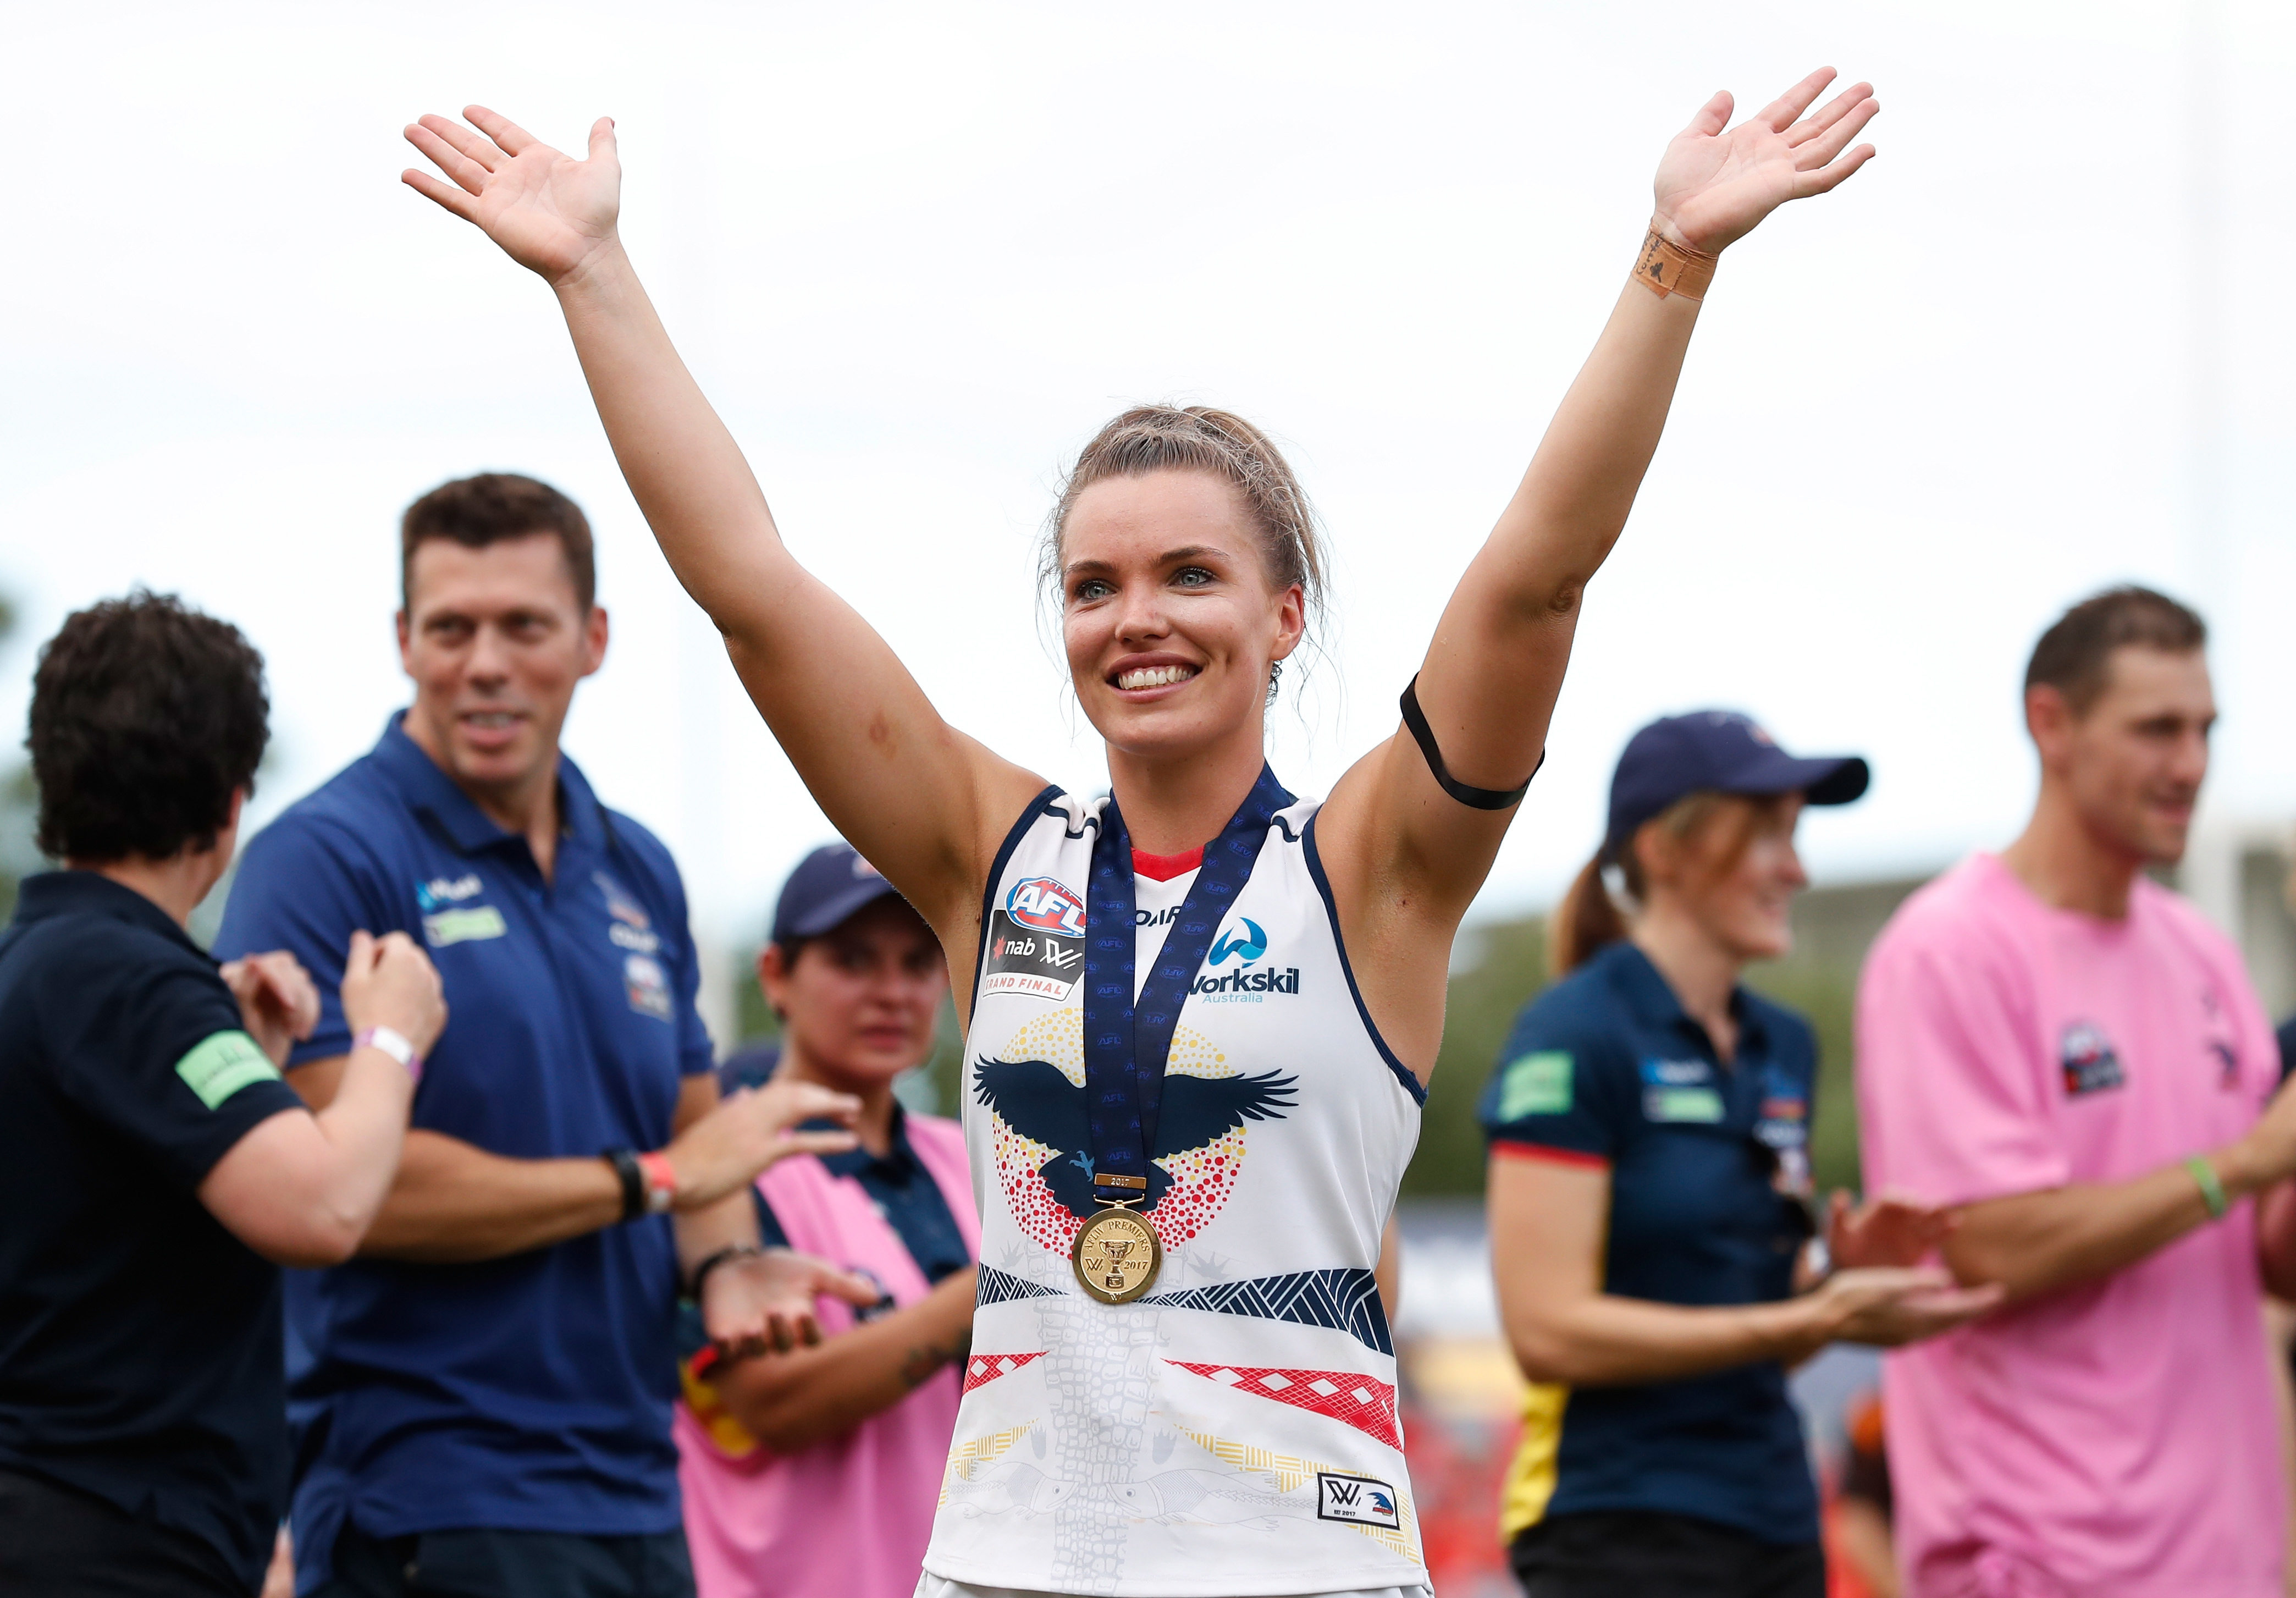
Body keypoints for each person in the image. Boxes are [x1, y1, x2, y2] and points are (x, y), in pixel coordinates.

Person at [400, 65, 1881, 1597]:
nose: (1139, 619)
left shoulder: (1376, 863)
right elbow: (753, 588)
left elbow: (1536, 581)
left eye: (1191, 573)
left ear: (1284, 613)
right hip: (1010, 1565)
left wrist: (1673, 259)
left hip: (1302, 1570)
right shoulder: (992, 854)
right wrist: (594, 277)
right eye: (1095, 585)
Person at [212, 473, 874, 1598]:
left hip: (635, 1489)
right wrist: (651, 1182)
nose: (485, 662)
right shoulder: (322, 856)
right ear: (402, 643)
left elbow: (696, 1137)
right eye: (450, 628)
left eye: (523, 625)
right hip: (426, 1490)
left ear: (593, 639)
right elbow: (343, 1187)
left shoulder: (638, 866)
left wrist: (724, 1262)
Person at [1480, 712, 1995, 1598]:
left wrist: (1835, 1274)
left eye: (1794, 835)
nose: (1797, 869)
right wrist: (1810, 1320)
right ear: (1665, 851)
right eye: (1767, 836)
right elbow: (1545, 1331)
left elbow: (1752, 1327)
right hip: (1613, 1526)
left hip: (1778, 1518)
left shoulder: (1782, 1044)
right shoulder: (1571, 1036)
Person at [0, 593, 445, 1597]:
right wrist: (388, 1034)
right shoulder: (128, 983)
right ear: (233, 804)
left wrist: (240, 1051)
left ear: (53, 774)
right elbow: (323, 1206)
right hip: (112, 1544)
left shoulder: (43, 967)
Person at [1856, 586, 2296, 1597]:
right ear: (2049, 723)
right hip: (2044, 1560)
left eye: (2205, 730)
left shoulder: (2204, 954)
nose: (2191, 763)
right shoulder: (1950, 949)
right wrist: (2242, 1165)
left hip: (2227, 1560)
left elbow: (2267, 1254)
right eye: (2157, 729)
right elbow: (1988, 1243)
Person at [676, 842, 977, 1598]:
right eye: (853, 960)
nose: (892, 992)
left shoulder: (971, 1156)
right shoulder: (726, 1161)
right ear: (775, 975)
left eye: (917, 963)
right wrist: (988, 1294)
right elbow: (773, 1402)